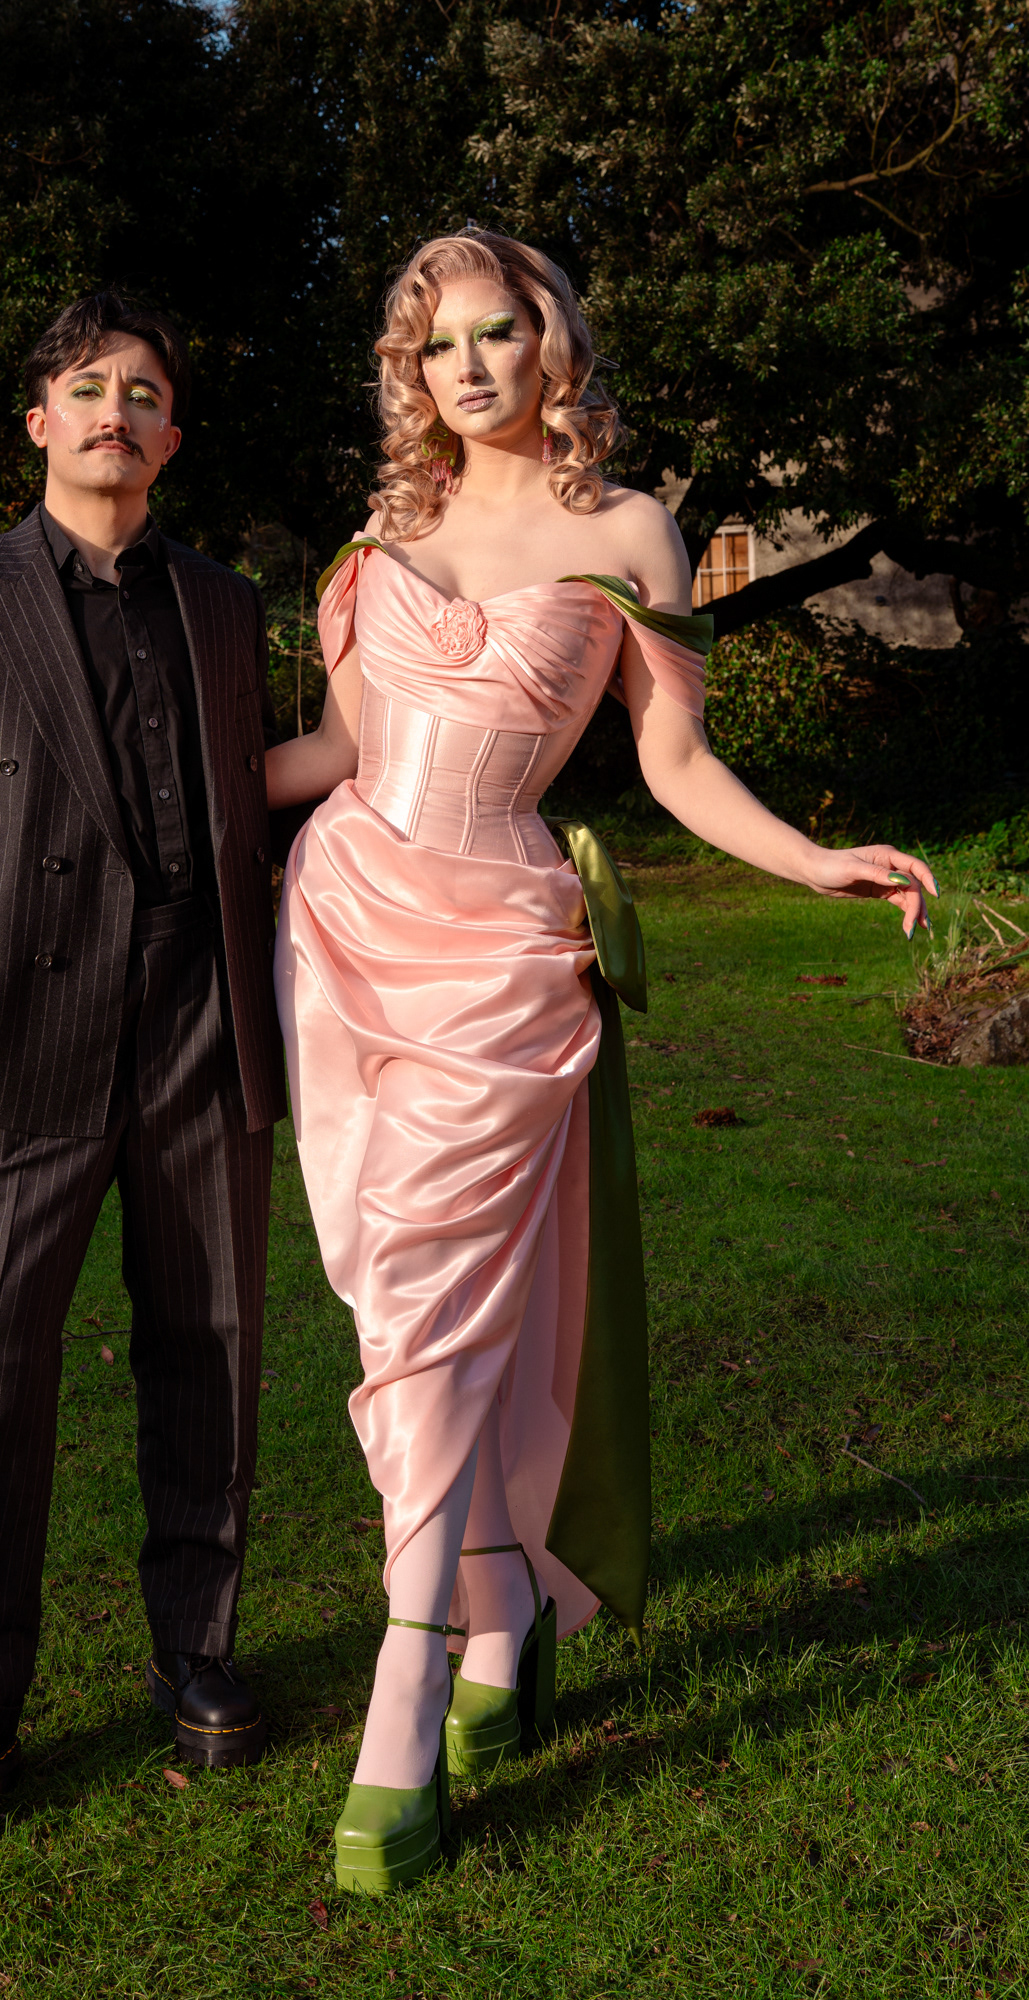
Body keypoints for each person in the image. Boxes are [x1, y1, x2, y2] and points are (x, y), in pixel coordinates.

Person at [267, 230, 935, 1894]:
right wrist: (128, 782)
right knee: (391, 1295)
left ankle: (411, 1671)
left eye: (498, 333)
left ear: (550, 343)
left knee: (447, 1310)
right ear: (409, 373)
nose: (470, 368)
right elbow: (338, 749)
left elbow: (676, 760)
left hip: (500, 950)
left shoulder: (634, 530)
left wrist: (810, 862)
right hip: (345, 922)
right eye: (436, 347)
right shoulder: (388, 531)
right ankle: (501, 1613)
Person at [0, 291, 283, 1866]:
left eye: (147, 391)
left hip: (197, 1024)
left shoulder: (229, 605)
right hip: (26, 1041)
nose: (117, 409)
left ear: (173, 434)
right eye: (87, 386)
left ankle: (199, 1649)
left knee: (212, 1346)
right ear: (38, 421)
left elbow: (254, 806)